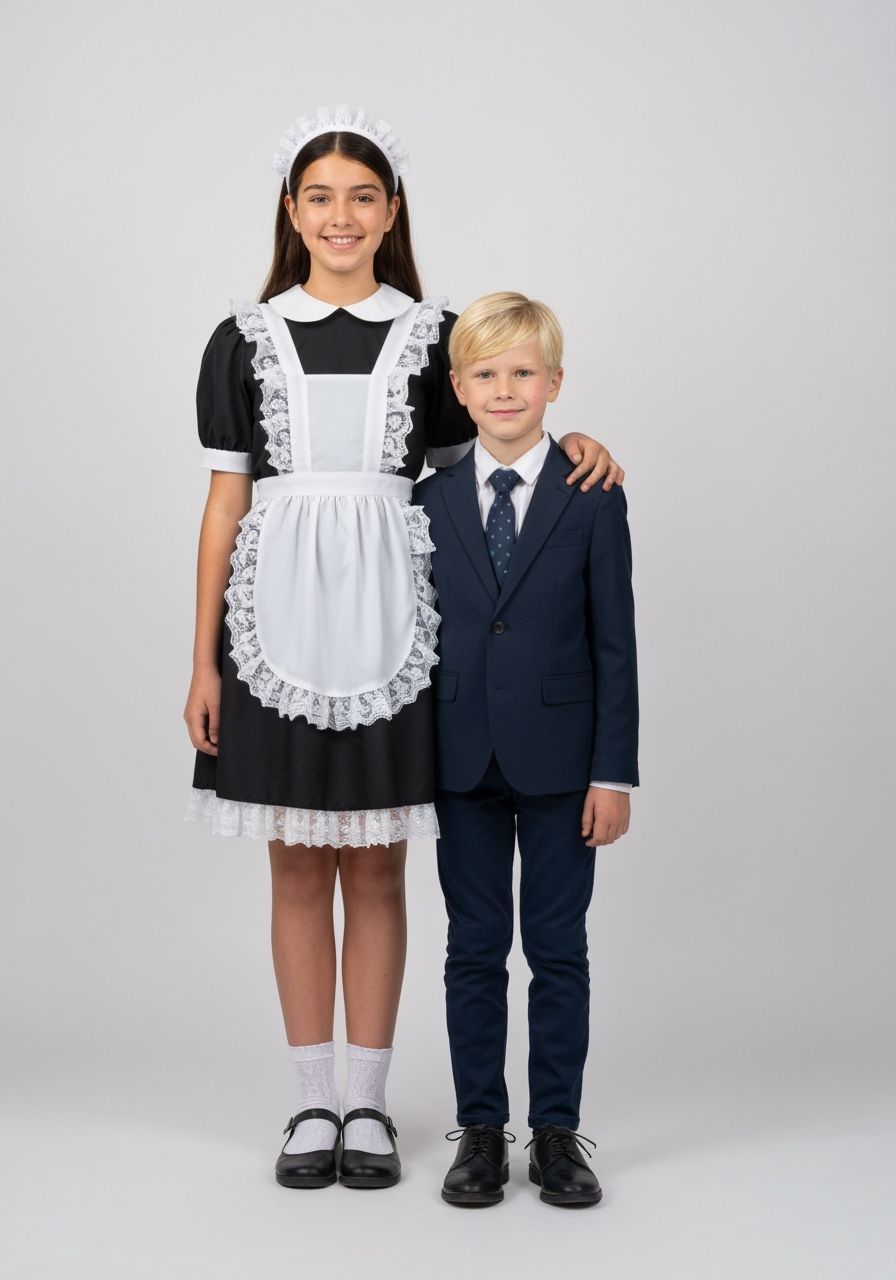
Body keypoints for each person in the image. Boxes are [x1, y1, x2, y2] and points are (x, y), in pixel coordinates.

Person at [182, 107, 624, 1192]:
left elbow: (492, 446)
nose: (341, 215)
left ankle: (370, 1103)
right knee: (295, 862)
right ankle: (308, 1101)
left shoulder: (430, 336)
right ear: (292, 211)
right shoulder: (242, 335)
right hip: (272, 620)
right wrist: (201, 660)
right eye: (320, 196)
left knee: (378, 864)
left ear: (390, 212)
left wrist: (577, 443)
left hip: (395, 623)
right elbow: (223, 500)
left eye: (362, 196)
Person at [413, 291, 639, 1208]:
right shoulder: (427, 502)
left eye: (521, 374)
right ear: (460, 390)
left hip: (561, 765)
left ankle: (555, 1132)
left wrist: (612, 771)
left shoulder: (592, 496)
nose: (504, 390)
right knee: (473, 949)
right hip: (458, 762)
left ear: (553, 384)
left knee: (557, 949)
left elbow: (615, 641)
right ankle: (479, 1129)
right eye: (485, 375)